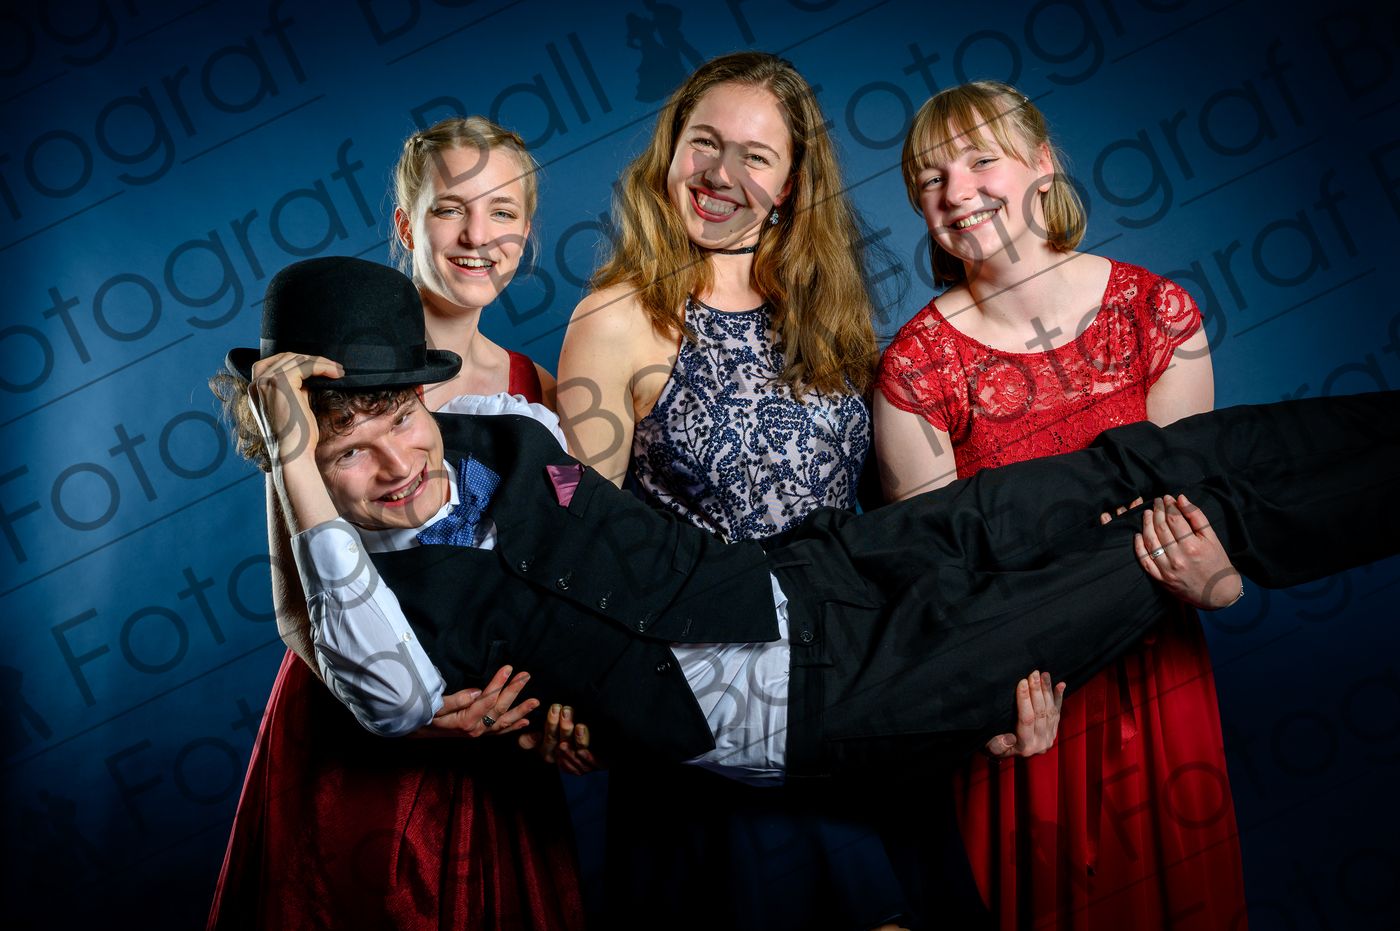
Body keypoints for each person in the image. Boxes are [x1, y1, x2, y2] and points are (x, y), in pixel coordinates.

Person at [222, 255, 1397, 798]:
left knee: (1138, 461)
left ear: (422, 394)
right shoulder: (379, 613)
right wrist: (289, 468)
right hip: (835, 701)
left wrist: (323, 418)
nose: (395, 463)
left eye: (396, 418)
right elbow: (373, 689)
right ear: (300, 471)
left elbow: (435, 399)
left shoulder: (494, 421)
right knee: (1165, 540)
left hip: (830, 567)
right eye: (345, 453)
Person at [556, 50, 947, 929]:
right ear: (670, 151)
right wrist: (571, 694)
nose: (720, 173)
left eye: (756, 155)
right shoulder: (619, 315)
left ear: (791, 184)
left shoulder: (830, 313)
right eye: (704, 142)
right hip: (703, 704)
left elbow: (896, 520)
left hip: (848, 687)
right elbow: (579, 533)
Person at [874, 81, 1243, 929]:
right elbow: (938, 585)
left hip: (1157, 682)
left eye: (981, 160)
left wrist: (1219, 577)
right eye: (930, 178)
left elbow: (1189, 523)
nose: (956, 191)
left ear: (1042, 163)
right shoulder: (916, 368)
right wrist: (984, 710)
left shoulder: (1156, 315)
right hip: (1023, 701)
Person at [206, 120, 582, 931]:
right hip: (353, 734)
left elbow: (569, 570)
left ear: (526, 234)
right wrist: (404, 713)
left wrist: (550, 705)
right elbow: (292, 606)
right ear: (408, 225)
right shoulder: (322, 355)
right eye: (450, 209)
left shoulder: (539, 390)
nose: (477, 236)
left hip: (494, 732)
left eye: (503, 212)